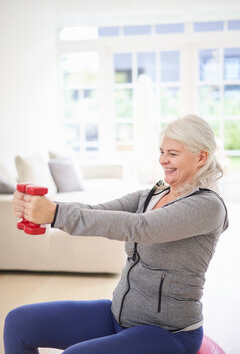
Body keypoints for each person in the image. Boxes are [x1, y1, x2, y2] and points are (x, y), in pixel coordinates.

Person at [4, 114, 228, 354]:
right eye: (162, 152)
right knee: (19, 322)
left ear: (201, 157)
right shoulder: (153, 194)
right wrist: (39, 207)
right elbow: (96, 211)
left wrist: (54, 214)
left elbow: (141, 227)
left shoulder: (207, 206)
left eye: (173, 153)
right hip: (119, 316)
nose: (163, 160)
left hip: (168, 332)